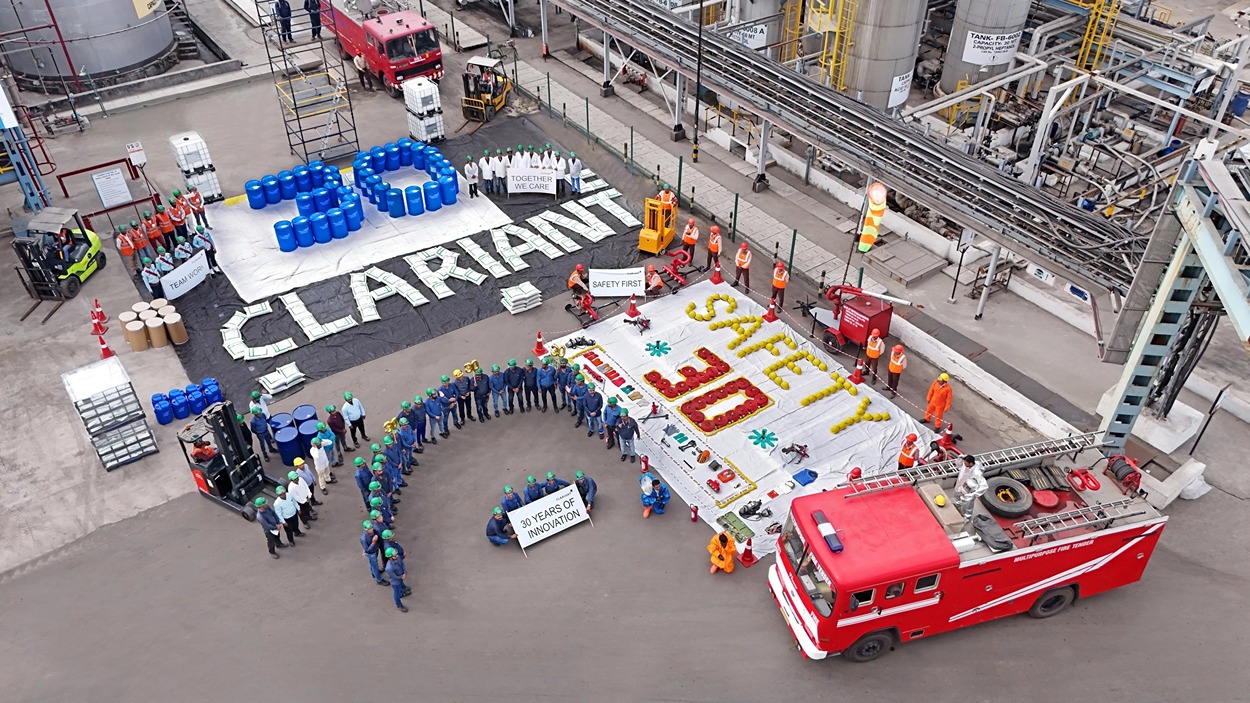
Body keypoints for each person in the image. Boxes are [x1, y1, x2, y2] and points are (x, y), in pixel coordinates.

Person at [380, 531, 411, 596]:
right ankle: (401, 593)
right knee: (398, 585)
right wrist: (401, 577)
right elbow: (393, 576)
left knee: (400, 574)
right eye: (391, 537)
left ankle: (403, 587)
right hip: (397, 575)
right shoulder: (388, 548)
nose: (393, 537)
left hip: (398, 563)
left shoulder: (391, 542)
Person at [361, 520, 388, 585]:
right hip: (371, 554)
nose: (371, 530)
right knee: (374, 566)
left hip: (375, 549)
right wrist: (373, 542)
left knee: (373, 565)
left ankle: (373, 573)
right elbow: (367, 550)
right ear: (365, 530)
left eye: (371, 528)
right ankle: (379, 580)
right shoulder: (364, 539)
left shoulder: (374, 531)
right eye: (369, 529)